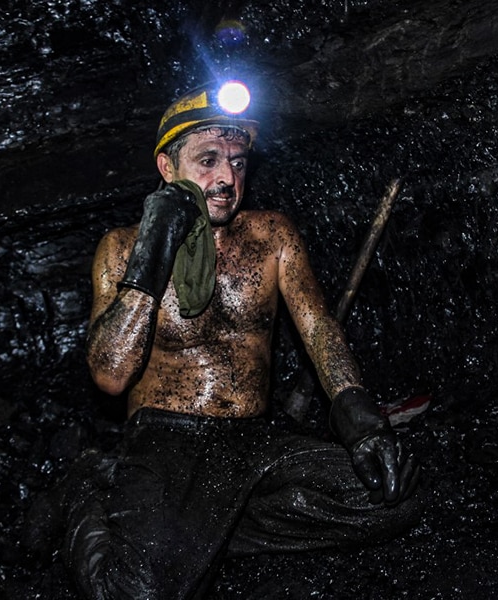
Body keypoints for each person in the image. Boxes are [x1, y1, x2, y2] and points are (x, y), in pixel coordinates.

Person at [65, 80, 422, 599]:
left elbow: (320, 331)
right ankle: (90, 492)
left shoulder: (272, 236)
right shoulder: (121, 247)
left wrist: (361, 420)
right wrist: (153, 256)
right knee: (133, 594)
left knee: (395, 496)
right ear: (168, 168)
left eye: (237, 161)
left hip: (254, 440)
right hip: (169, 440)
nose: (226, 177)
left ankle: (203, 530)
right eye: (207, 159)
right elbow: (110, 376)